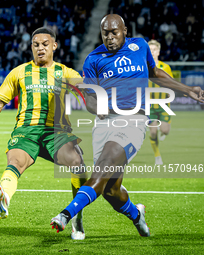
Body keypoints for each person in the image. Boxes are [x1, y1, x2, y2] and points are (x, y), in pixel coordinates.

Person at [50, 14, 204, 237]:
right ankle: (136, 214)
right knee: (110, 190)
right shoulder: (93, 60)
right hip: (104, 125)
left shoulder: (139, 46)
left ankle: (66, 214)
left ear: (124, 31)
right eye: (105, 33)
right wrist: (96, 106)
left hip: (133, 120)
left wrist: (188, 90)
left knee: (102, 167)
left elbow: (155, 73)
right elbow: (91, 98)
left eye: (115, 32)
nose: (110, 38)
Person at [0, 27, 88, 240]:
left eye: (45, 44)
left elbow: (85, 89)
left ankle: (77, 219)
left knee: (78, 165)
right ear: (31, 47)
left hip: (57, 132)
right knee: (15, 163)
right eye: (36, 45)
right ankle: (4, 197)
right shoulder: (19, 72)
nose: (40, 48)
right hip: (26, 131)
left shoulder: (65, 72)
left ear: (54, 46)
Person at [148, 39, 173, 165]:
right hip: (149, 106)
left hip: (163, 105)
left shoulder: (165, 67)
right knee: (152, 132)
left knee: (165, 131)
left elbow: (172, 83)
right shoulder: (143, 66)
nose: (152, 52)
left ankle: (163, 131)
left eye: (154, 49)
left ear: (158, 51)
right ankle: (157, 156)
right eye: (150, 49)